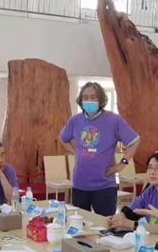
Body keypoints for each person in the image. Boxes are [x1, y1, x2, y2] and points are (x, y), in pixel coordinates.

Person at [60, 82, 140, 216]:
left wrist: (122, 164)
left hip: (104, 186)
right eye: (85, 97)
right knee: (80, 223)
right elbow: (63, 137)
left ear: (101, 99)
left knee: (105, 224)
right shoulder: (75, 120)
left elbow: (135, 141)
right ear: (81, 100)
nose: (89, 100)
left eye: (93, 97)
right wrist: (75, 152)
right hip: (80, 184)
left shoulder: (114, 120)